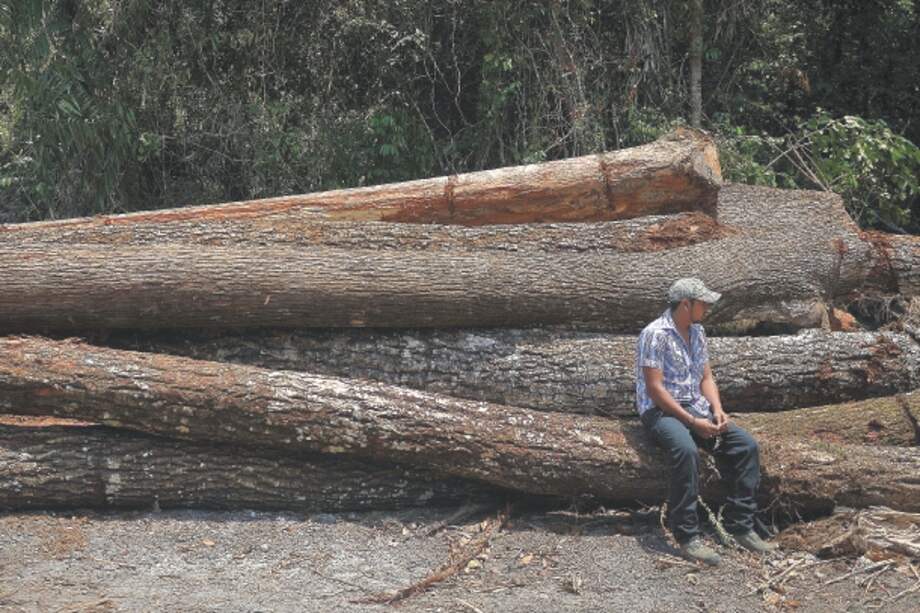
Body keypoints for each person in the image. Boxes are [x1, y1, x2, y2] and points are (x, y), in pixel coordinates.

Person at [635, 277, 775, 566]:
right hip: (661, 410)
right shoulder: (654, 334)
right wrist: (692, 422)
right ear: (686, 304)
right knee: (685, 450)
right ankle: (687, 535)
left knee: (745, 446)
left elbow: (706, 377)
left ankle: (741, 526)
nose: (708, 307)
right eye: (703, 303)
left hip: (695, 406)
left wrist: (717, 408)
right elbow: (655, 389)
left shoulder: (697, 332)